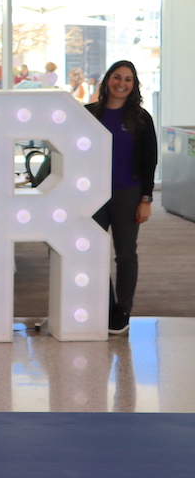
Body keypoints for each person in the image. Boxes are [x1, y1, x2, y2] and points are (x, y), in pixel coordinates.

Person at [86, 61, 157, 335]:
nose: (121, 83)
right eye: (117, 77)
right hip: (93, 195)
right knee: (94, 253)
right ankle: (104, 305)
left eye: (128, 79)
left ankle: (122, 309)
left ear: (134, 84)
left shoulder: (141, 118)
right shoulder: (89, 114)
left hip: (129, 194)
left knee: (126, 254)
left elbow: (150, 161)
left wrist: (146, 199)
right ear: (107, 81)